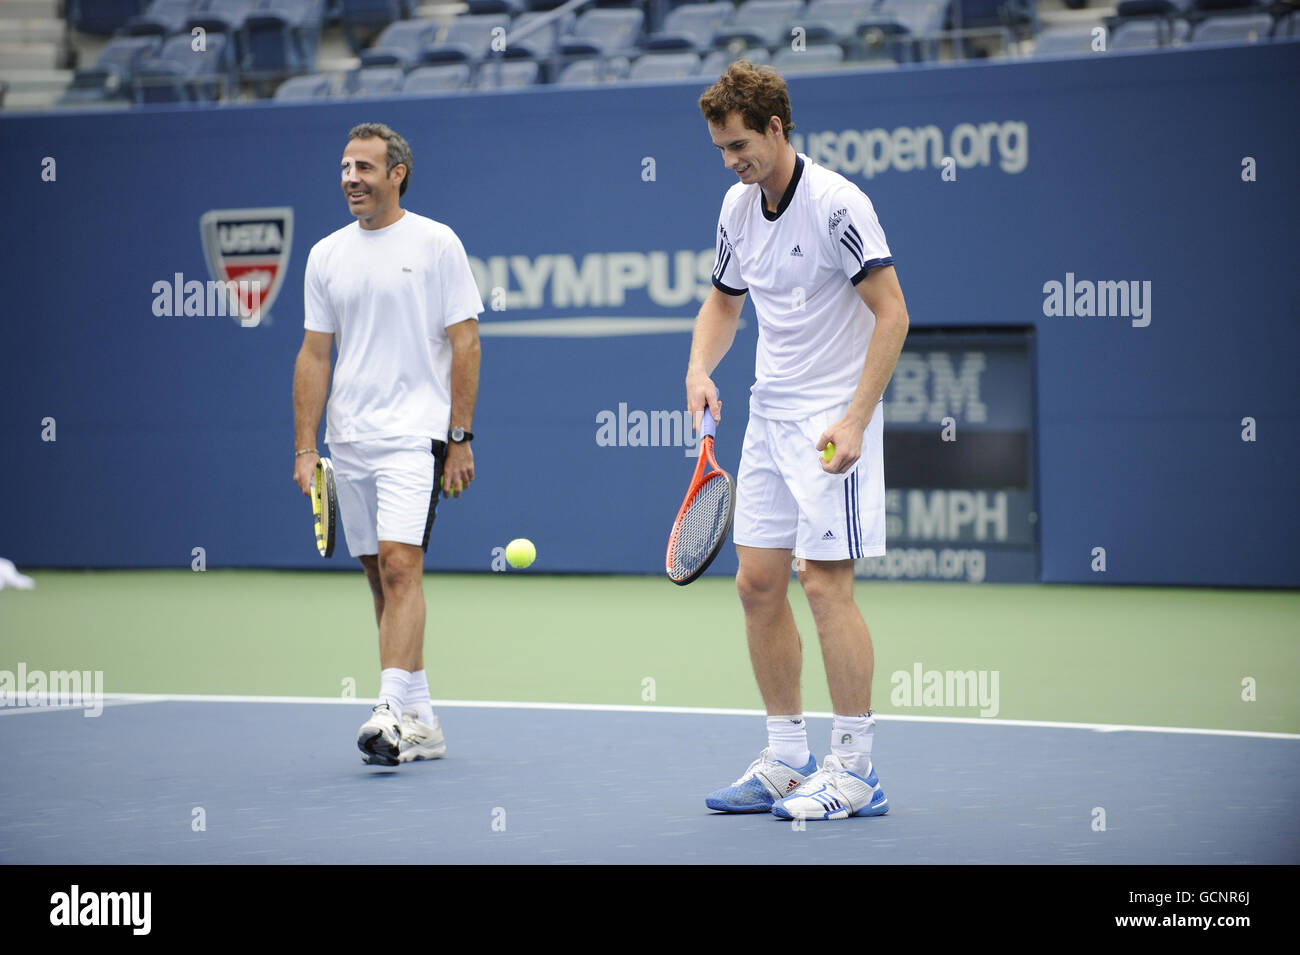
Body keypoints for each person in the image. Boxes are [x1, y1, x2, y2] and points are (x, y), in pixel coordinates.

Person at [687, 62, 910, 820]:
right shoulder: (736, 206)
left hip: (828, 423)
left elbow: (893, 314)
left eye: (740, 144)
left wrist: (853, 418)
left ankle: (856, 769)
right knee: (757, 584)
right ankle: (787, 757)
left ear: (777, 127)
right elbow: (722, 303)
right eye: (721, 148)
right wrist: (699, 368)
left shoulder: (839, 204)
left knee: (823, 583)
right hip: (767, 415)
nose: (731, 160)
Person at [292, 123, 483, 766]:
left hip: (414, 435)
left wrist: (459, 437)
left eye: (365, 167)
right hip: (348, 441)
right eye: (346, 167)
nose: (352, 178)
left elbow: (466, 343)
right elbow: (315, 354)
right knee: (379, 575)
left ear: (396, 173)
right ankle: (421, 714)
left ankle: (387, 708)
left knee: (403, 566)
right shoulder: (325, 255)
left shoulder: (436, 243)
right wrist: (304, 447)